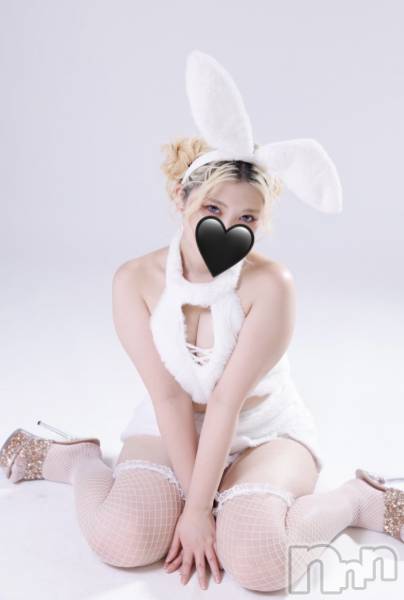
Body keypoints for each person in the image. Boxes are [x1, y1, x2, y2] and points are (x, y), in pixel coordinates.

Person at [1, 136, 404, 594]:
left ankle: (359, 500)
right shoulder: (135, 280)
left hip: (262, 431)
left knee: (261, 561)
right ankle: (77, 460)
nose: (228, 226)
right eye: (213, 209)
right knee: (121, 539)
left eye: (246, 218)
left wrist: (198, 509)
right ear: (181, 198)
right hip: (172, 423)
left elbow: (227, 400)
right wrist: (197, 507)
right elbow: (168, 396)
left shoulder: (271, 284)